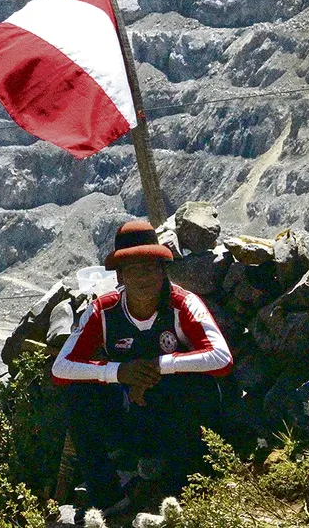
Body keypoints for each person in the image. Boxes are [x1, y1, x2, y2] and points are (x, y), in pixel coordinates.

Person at [52, 220, 233, 514]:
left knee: (199, 388)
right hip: (126, 415)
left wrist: (159, 367)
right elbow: (61, 369)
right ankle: (108, 498)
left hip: (173, 417)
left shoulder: (183, 303)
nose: (144, 277)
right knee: (78, 395)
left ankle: (180, 492)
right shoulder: (103, 310)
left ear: (163, 271)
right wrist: (117, 372)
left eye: (151, 267)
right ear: (120, 275)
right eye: (134, 269)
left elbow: (222, 359)